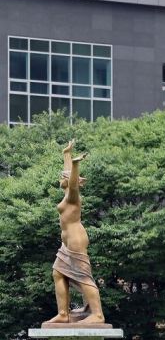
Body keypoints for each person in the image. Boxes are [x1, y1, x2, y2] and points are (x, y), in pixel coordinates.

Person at [44, 139, 105, 325]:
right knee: (58, 273)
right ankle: (63, 313)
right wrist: (67, 154)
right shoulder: (67, 196)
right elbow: (69, 175)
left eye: (63, 177)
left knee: (83, 277)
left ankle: (97, 314)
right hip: (66, 243)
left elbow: (73, 183)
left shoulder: (73, 196)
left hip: (76, 240)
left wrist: (76, 164)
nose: (60, 178)